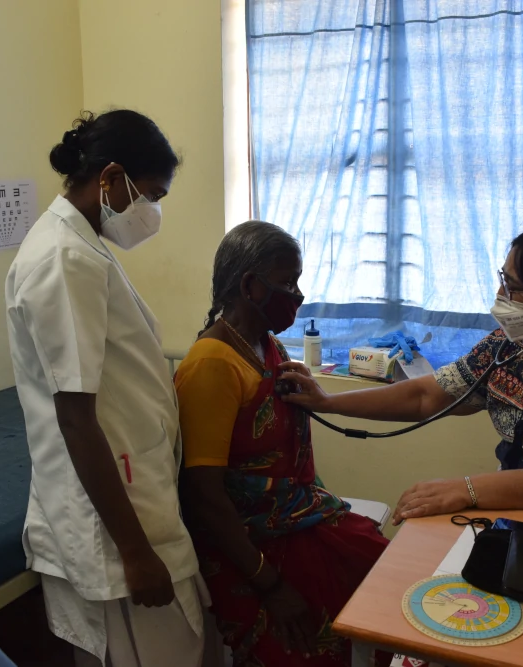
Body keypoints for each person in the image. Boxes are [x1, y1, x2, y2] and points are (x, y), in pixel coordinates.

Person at [282, 223, 523, 526]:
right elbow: (428, 396)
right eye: (503, 280)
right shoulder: (511, 345)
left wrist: (466, 489)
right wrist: (328, 402)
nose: (501, 296)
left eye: (514, 287)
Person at [4, 110, 205, 667]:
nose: (153, 212)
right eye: (153, 195)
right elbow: (74, 417)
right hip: (111, 529)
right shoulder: (64, 258)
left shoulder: (82, 246)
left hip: (131, 488)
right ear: (112, 179)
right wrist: (135, 553)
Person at [175, 221, 390, 666]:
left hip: (288, 522)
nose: (298, 294)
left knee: (380, 572)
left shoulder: (263, 344)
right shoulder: (212, 362)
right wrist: (271, 585)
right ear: (251, 286)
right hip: (252, 554)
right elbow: (205, 495)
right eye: (289, 282)